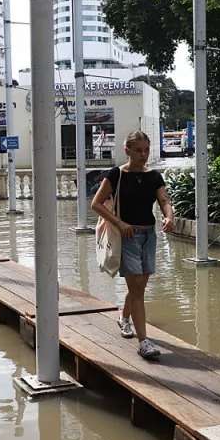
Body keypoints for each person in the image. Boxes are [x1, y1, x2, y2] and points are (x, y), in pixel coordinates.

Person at [90, 131, 174, 361]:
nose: (143, 155)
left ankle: (124, 317)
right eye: (138, 150)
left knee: (139, 287)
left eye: (146, 150)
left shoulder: (154, 176)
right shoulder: (116, 174)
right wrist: (119, 222)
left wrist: (169, 216)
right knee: (136, 288)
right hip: (127, 236)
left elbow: (164, 201)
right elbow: (96, 204)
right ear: (126, 150)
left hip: (148, 236)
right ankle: (144, 342)